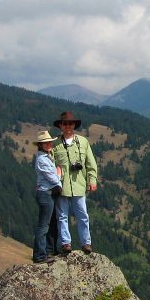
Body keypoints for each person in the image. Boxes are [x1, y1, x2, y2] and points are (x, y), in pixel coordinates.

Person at [51, 111, 98, 254]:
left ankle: (86, 243)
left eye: (70, 123)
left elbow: (91, 163)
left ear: (74, 125)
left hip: (79, 185)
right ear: (60, 126)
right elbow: (50, 165)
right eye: (65, 124)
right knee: (62, 216)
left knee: (82, 215)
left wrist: (92, 180)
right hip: (61, 186)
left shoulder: (83, 142)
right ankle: (66, 243)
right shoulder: (54, 144)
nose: (68, 126)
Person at [32, 129, 62, 264]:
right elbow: (53, 178)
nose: (48, 144)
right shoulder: (42, 159)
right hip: (46, 194)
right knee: (43, 226)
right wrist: (59, 174)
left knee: (51, 224)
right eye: (45, 143)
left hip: (47, 193)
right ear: (40, 145)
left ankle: (49, 251)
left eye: (49, 142)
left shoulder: (46, 157)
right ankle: (39, 255)